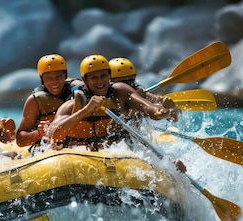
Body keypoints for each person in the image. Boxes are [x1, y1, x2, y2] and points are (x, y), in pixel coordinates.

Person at [47, 54, 180, 151]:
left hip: (115, 154)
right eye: (94, 77)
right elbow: (53, 134)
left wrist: (162, 111)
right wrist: (86, 110)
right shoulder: (72, 104)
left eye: (104, 76)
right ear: (85, 80)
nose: (100, 81)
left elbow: (150, 108)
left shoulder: (120, 92)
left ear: (109, 76)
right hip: (80, 156)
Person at [16, 54, 81, 150]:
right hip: (46, 150)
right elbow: (20, 140)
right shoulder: (34, 101)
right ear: (42, 80)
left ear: (65, 76)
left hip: (76, 147)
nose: (54, 82)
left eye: (58, 77)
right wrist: (38, 133)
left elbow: (83, 87)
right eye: (49, 78)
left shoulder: (77, 91)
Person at [109, 57, 176, 109]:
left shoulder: (139, 92)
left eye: (130, 81)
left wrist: (167, 105)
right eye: (123, 83)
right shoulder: (104, 99)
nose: (127, 87)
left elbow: (174, 118)